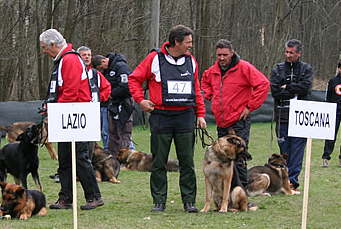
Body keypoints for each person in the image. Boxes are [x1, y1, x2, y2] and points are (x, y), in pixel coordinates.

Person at [128, 24, 206, 213]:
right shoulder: (154, 59)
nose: (190, 46)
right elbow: (134, 79)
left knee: (187, 161)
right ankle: (159, 201)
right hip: (161, 116)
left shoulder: (191, 61)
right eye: (188, 42)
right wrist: (140, 100)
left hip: (185, 116)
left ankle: (189, 201)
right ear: (176, 42)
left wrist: (201, 114)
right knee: (159, 161)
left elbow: (196, 88)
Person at [39, 29, 104, 211]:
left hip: (77, 115)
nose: (44, 51)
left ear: (53, 45)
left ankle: (94, 196)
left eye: (45, 47)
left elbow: (71, 91)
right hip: (66, 115)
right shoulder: (62, 60)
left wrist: (55, 110)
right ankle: (66, 197)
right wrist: (49, 107)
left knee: (80, 157)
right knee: (65, 159)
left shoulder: (70, 59)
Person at [201, 39, 269, 186]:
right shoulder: (212, 71)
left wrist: (250, 107)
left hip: (238, 121)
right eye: (219, 55)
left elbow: (263, 84)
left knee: (238, 158)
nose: (222, 58)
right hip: (221, 122)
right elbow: (204, 82)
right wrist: (210, 95)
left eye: (225, 55)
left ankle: (241, 192)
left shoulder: (244, 68)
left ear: (232, 53)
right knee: (223, 158)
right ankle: (227, 192)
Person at [270, 39, 314, 191]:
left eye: (291, 52)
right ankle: (282, 180)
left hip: (300, 118)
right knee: (285, 151)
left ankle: (293, 182)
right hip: (282, 116)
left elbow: (306, 87)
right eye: (286, 52)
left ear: (299, 53)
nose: (288, 55)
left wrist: (287, 87)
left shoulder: (306, 69)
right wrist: (294, 91)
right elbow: (275, 91)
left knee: (297, 151)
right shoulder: (278, 69)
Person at [94, 52, 135, 157]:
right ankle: (112, 157)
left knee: (123, 131)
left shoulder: (121, 66)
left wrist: (111, 94)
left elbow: (126, 85)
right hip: (113, 104)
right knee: (112, 131)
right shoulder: (107, 70)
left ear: (104, 61)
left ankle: (125, 157)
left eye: (101, 68)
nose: (102, 70)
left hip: (124, 102)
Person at [77, 46, 111, 153]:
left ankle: (90, 161)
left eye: (89, 55)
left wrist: (99, 98)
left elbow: (107, 88)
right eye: (84, 55)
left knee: (91, 141)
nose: (87, 57)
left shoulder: (96, 74)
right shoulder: (75, 72)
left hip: (93, 112)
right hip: (78, 112)